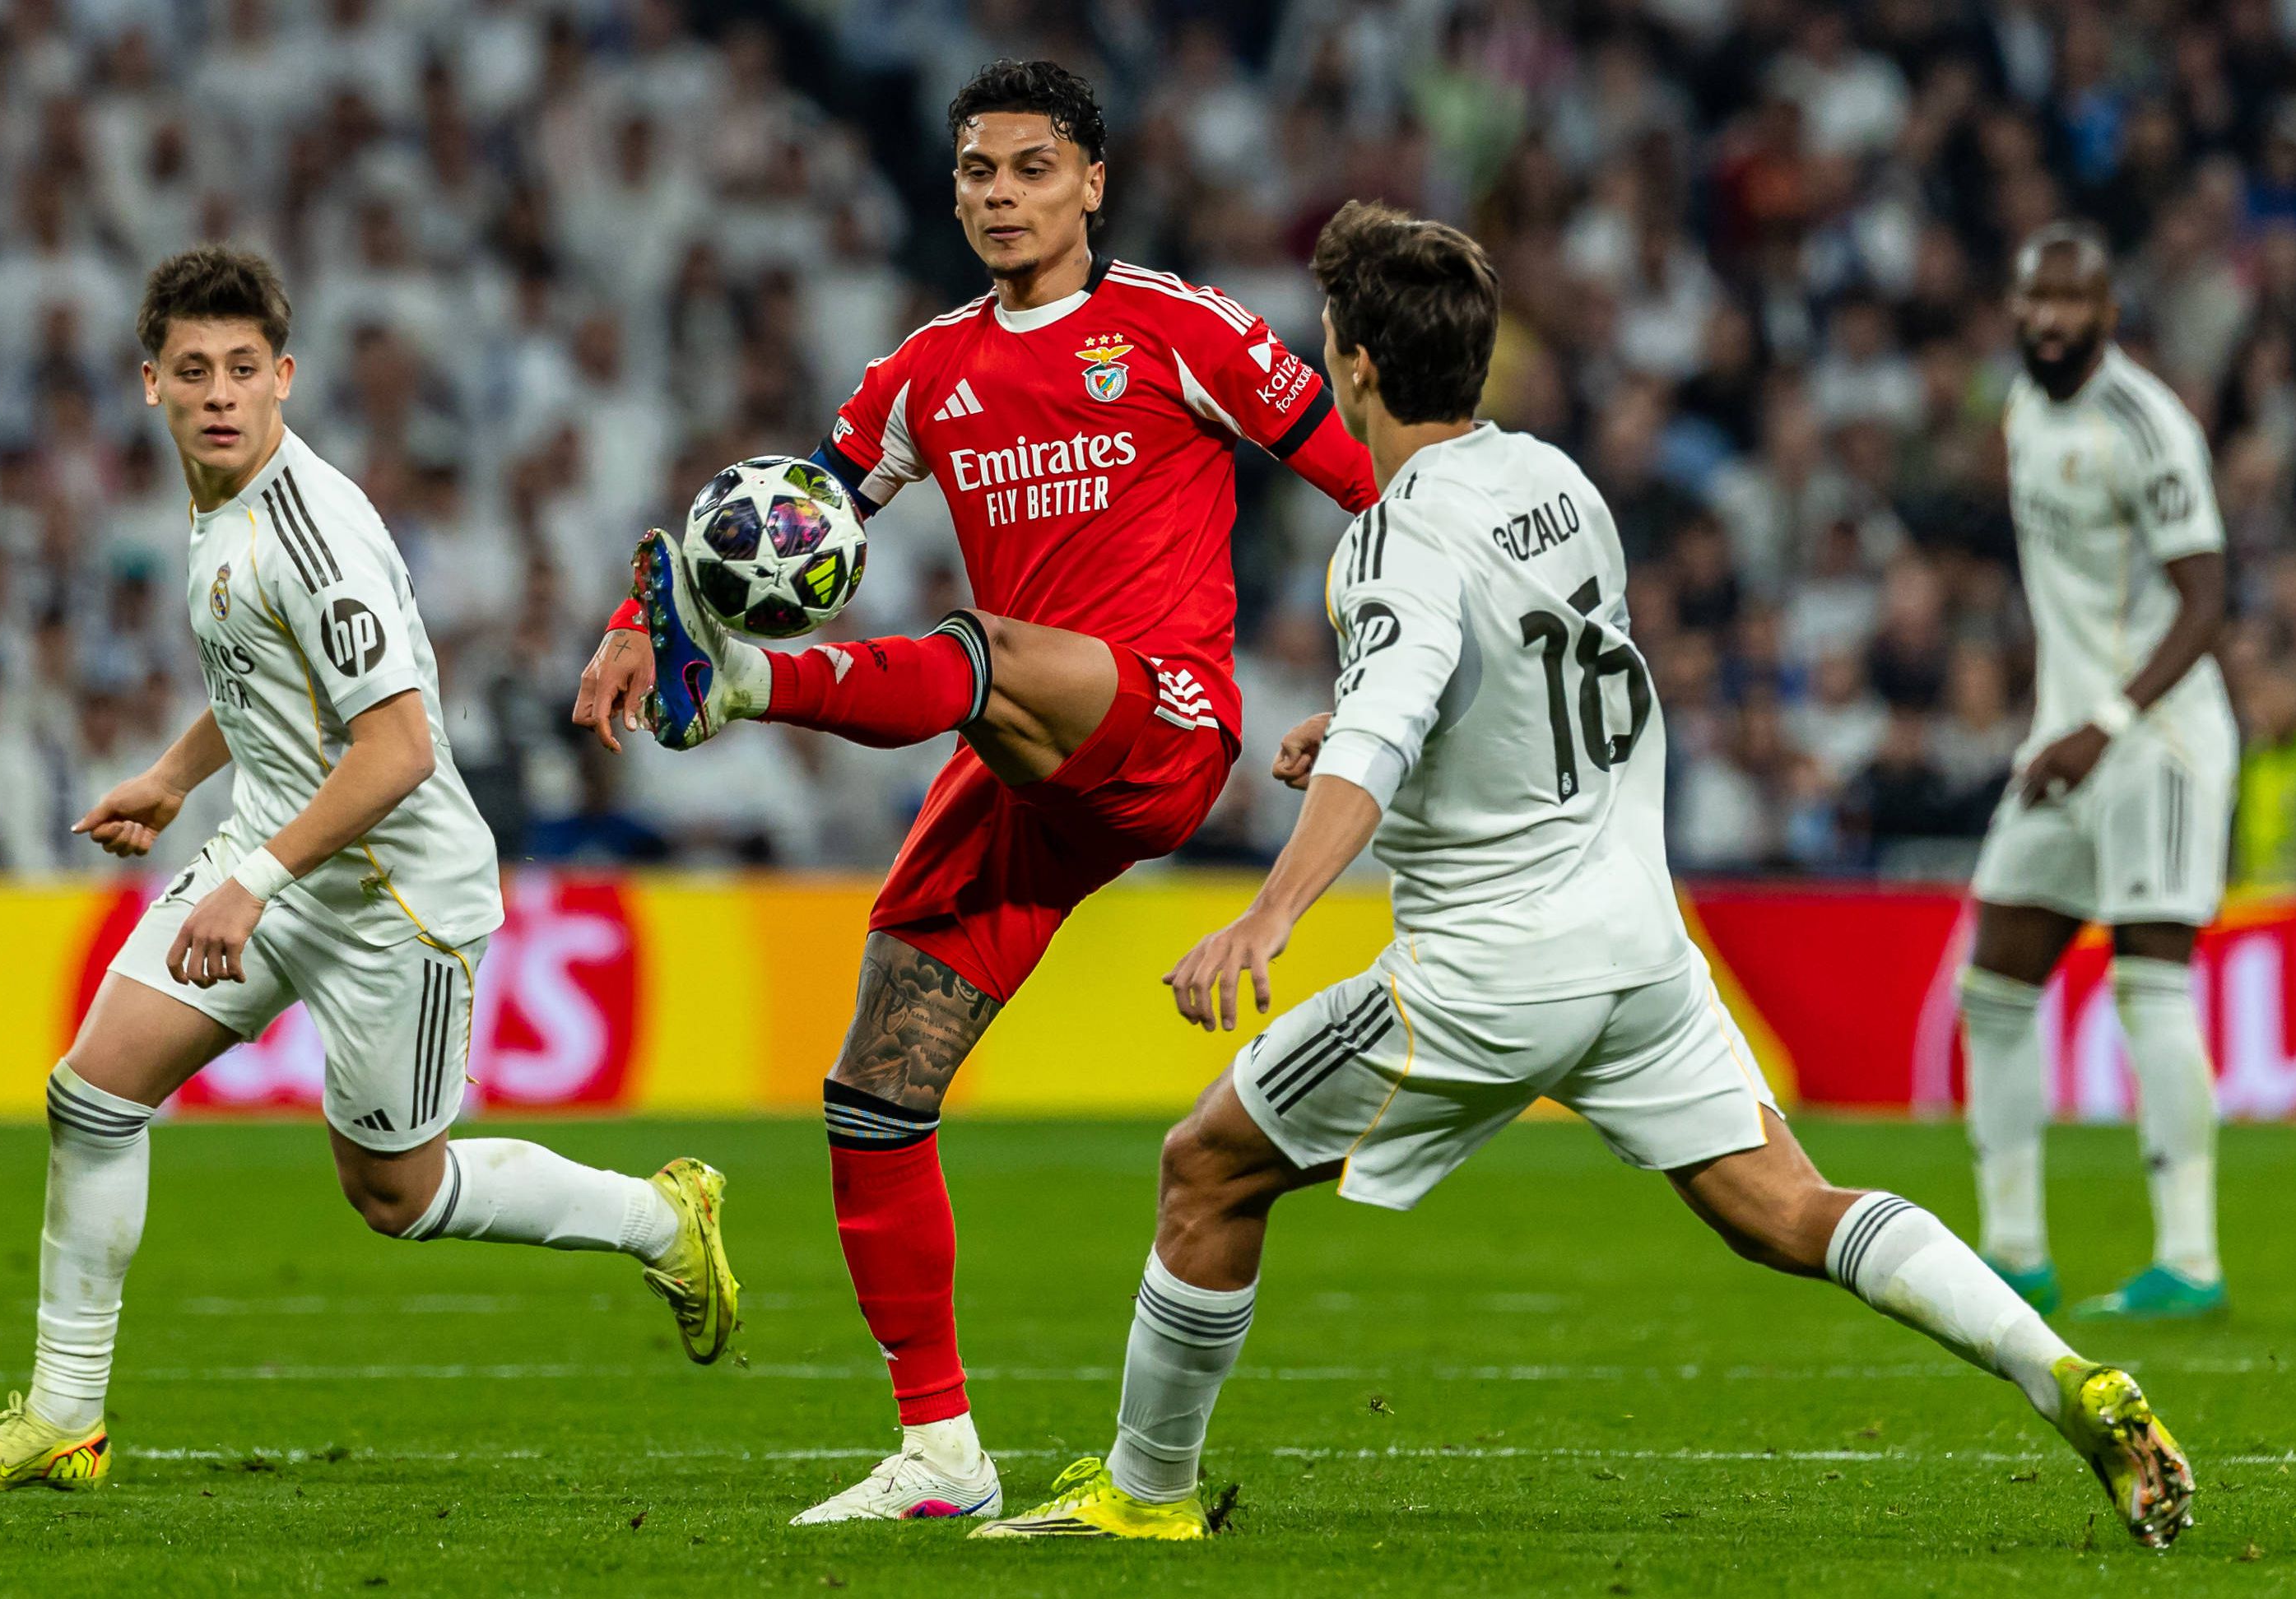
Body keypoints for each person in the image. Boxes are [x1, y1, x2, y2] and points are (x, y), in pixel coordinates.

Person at [970, 202, 2193, 1550]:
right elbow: (1523, 678)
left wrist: (1272, 909)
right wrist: (1372, 719)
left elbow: (1391, 723)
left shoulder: (1391, 537)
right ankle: (2066, 1377)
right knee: (1790, 1209)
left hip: (1488, 972)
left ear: (1358, 367)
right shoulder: (1558, 482)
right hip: (1641, 952)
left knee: (1206, 1167)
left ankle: (1144, 1499)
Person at [572, 60, 1377, 1524]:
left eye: (1028, 168)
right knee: (874, 1098)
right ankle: (940, 1453)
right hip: (1007, 761)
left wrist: (1379, 692)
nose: (998, 197)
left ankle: (747, 693)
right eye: (975, 173)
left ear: (1092, 183)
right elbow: (786, 519)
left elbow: (1377, 496)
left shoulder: (1181, 329)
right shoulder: (925, 372)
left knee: (988, 649)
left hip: (1161, 725)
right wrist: (650, 607)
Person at [0, 246, 737, 1495]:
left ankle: (661, 1221)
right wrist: (182, 779)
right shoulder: (216, 509)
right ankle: (66, 1419)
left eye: (246, 369)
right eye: (196, 370)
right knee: (93, 1094)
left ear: (285, 378)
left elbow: (398, 747)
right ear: (152, 387)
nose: (222, 392)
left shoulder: (311, 529)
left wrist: (252, 882)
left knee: (392, 1194)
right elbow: (261, 670)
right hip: (277, 851)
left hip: (391, 895)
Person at [1959, 223, 2235, 1321]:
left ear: (2110, 313)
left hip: (2158, 738)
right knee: (1994, 990)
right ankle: (2014, 1252)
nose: (2050, 323)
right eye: (2035, 303)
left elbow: (2209, 599)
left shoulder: (2147, 423)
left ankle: (2193, 1261)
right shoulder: (2023, 409)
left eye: (2071, 304)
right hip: (2064, 739)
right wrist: (2058, 716)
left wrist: (2109, 718)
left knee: (2149, 985)